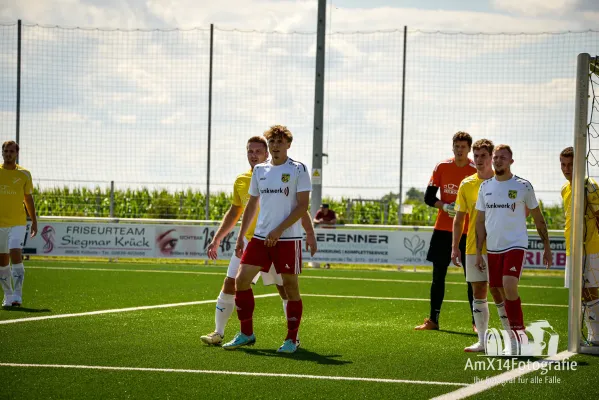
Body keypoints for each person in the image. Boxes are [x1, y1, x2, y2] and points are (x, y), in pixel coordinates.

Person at [200, 136, 316, 346]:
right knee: (232, 283)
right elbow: (237, 211)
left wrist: (309, 233)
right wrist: (219, 238)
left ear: (266, 153)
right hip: (253, 241)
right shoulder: (244, 179)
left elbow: (300, 207)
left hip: (282, 240)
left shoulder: (291, 171)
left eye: (258, 152)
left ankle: (293, 337)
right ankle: (219, 332)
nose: (253, 155)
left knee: (285, 289)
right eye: (250, 151)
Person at [475, 144, 552, 353]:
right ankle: (514, 335)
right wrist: (478, 251)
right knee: (498, 289)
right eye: (496, 157)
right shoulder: (485, 187)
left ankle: (519, 339)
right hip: (493, 248)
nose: (498, 160)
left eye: (503, 158)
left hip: (515, 245)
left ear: (511, 161)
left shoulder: (523, 186)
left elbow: (538, 218)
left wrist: (547, 246)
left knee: (509, 285)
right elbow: (480, 221)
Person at [451, 139, 511, 352]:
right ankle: (483, 342)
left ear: (491, 157)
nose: (478, 160)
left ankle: (510, 340)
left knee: (498, 291)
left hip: (498, 246)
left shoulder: (502, 181)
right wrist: (454, 247)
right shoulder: (467, 184)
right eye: (475, 156)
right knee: (478, 291)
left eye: (483, 156)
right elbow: (458, 219)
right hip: (472, 247)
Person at [415, 131, 476, 331]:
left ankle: (477, 324)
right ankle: (433, 320)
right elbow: (428, 197)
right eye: (457, 147)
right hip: (442, 229)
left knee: (472, 278)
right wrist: (444, 206)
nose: (459, 150)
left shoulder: (475, 171)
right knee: (438, 276)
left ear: (469, 149)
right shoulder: (441, 167)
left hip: (468, 231)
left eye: (463, 147)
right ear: (453, 147)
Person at [560, 146, 599, 345]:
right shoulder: (565, 189)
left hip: (591, 247)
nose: (566, 169)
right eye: (563, 164)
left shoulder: (590, 186)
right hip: (571, 248)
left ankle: (595, 334)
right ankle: (583, 334)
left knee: (591, 289)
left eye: (571, 164)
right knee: (577, 291)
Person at [0, 141, 37, 307]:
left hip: (18, 222)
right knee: (2, 261)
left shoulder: (25, 174)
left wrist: (34, 221)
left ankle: (17, 294)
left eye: (11, 151)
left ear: (17, 153)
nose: (8, 154)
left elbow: (28, 199)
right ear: (2, 153)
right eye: (5, 151)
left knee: (15, 252)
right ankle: (7, 295)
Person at [312, 203, 336, 268]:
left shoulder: (331, 213)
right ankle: (319, 262)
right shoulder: (319, 212)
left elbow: (333, 221)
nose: (321, 209)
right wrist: (320, 221)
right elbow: (314, 220)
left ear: (327, 208)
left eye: (323, 208)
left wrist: (324, 222)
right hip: (322, 234)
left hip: (330, 234)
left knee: (329, 248)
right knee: (321, 248)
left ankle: (327, 263)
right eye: (321, 207)